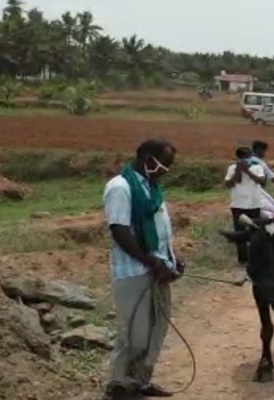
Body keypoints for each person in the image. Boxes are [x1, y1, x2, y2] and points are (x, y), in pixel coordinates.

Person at [103, 139, 184, 400]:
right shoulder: (121, 187)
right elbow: (120, 231)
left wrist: (172, 258)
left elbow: (160, 232)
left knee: (157, 330)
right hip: (133, 272)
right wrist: (152, 262)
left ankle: (140, 381)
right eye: (164, 164)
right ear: (148, 159)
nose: (165, 170)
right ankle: (119, 385)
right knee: (136, 333)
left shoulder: (152, 188)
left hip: (158, 270)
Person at [225, 147, 266, 267]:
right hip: (238, 205)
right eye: (243, 158)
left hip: (254, 204)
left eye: (247, 157)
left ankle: (256, 257)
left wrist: (248, 171)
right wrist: (238, 171)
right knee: (240, 233)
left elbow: (262, 182)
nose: (245, 160)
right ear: (238, 158)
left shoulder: (257, 167)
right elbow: (229, 184)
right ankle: (243, 259)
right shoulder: (232, 168)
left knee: (255, 232)